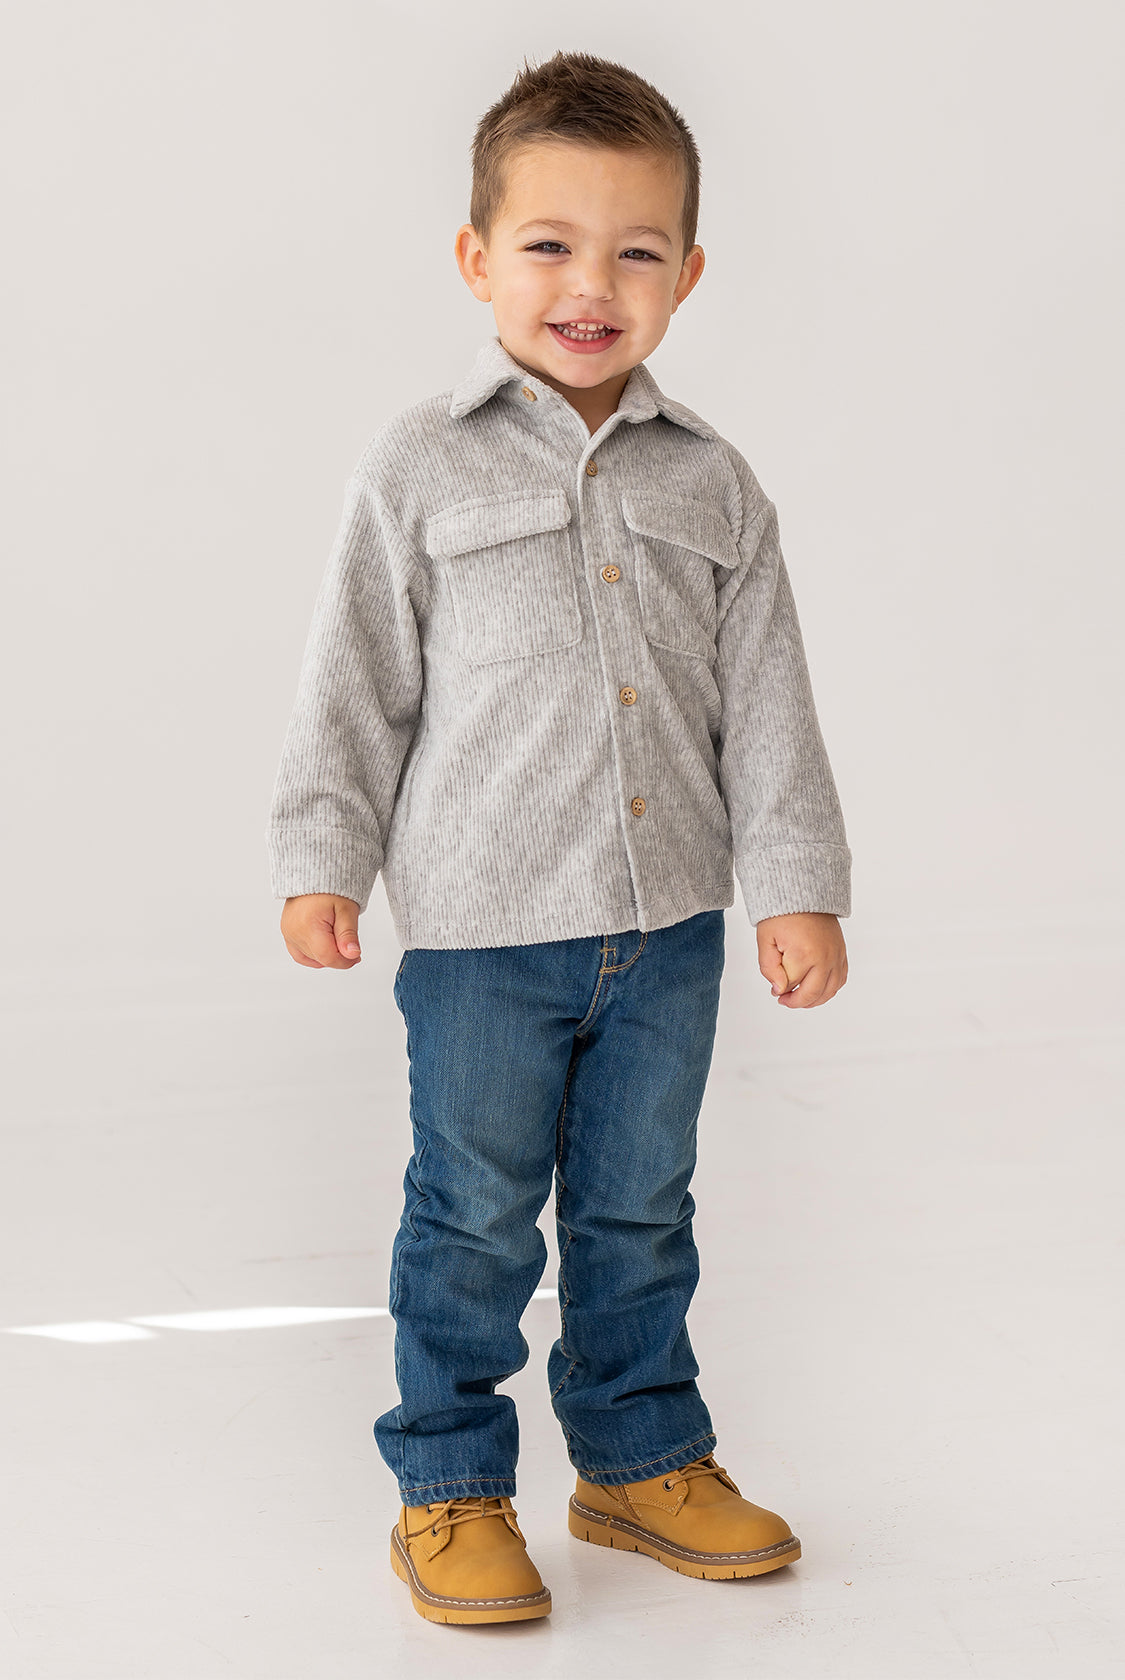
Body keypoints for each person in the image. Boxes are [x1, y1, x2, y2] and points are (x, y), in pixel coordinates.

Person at [265, 49, 852, 1626]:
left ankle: (637, 1459)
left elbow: (771, 707)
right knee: (467, 1216)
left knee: (637, 1210)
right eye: (547, 244)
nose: (589, 283)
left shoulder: (714, 484)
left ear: (687, 274)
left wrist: (795, 891)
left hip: (669, 931)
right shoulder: (418, 466)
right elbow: (355, 684)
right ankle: (449, 1487)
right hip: (477, 935)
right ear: (476, 259)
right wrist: (320, 857)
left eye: (634, 250)